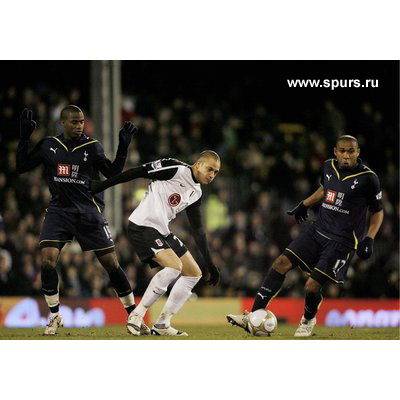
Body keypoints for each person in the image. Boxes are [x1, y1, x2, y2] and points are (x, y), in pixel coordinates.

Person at [227, 135, 384, 337]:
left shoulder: (369, 178)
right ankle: (253, 315)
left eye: (351, 151)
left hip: (342, 242)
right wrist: (305, 204)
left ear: (358, 152)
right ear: (335, 152)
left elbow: (378, 211)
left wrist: (369, 238)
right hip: (318, 231)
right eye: (342, 151)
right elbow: (324, 189)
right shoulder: (328, 166)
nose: (346, 155)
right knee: (280, 263)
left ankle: (308, 319)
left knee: (311, 285)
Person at [16, 106, 149, 335]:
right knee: (47, 261)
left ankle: (134, 315)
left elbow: (112, 173)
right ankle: (55, 316)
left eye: (81, 122)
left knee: (111, 264)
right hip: (59, 211)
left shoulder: (92, 147)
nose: (79, 126)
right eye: (75, 122)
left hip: (89, 211)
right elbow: (21, 166)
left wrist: (123, 147)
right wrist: (24, 138)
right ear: (63, 123)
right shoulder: (49, 145)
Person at [90, 151, 221, 336]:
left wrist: (210, 263)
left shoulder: (196, 192)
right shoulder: (175, 168)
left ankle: (162, 324)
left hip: (161, 230)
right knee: (175, 267)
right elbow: (137, 171)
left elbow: (198, 230)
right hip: (142, 224)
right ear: (198, 164)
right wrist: (101, 186)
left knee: (193, 273)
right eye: (210, 169)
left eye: (216, 172)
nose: (212, 175)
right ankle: (137, 315)